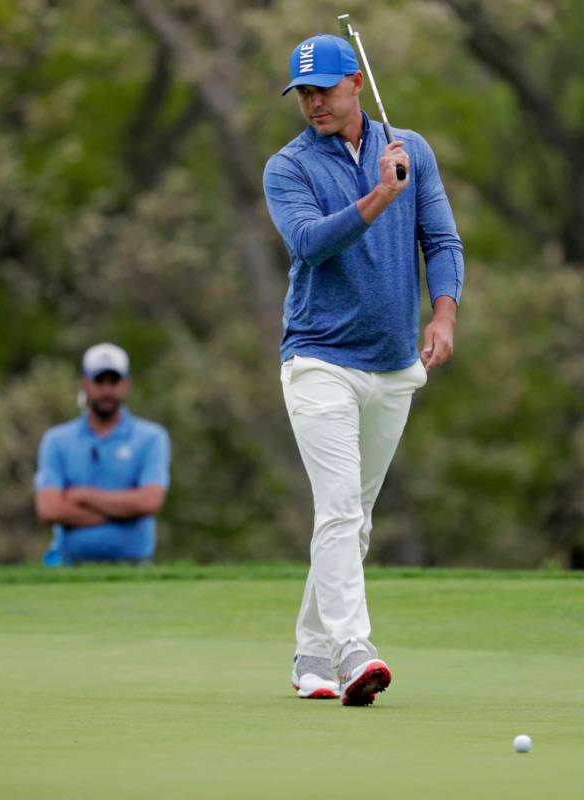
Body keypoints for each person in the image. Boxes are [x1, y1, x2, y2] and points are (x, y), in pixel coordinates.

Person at [263, 34, 464, 705]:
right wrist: (380, 195)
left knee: (355, 519)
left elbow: (440, 239)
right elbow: (310, 243)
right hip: (319, 358)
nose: (313, 103)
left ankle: (310, 654)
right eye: (303, 94)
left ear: (356, 81)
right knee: (340, 509)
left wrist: (443, 316)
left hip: (392, 363)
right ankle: (355, 653)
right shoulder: (286, 168)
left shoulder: (413, 150)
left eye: (323, 89)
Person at [35, 343, 170, 566]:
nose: (107, 390)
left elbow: (149, 502)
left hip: (134, 564)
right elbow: (48, 509)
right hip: (68, 564)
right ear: (85, 384)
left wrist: (81, 496)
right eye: (99, 381)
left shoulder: (152, 437)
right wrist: (125, 514)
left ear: (126, 385)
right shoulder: (56, 439)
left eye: (114, 381)